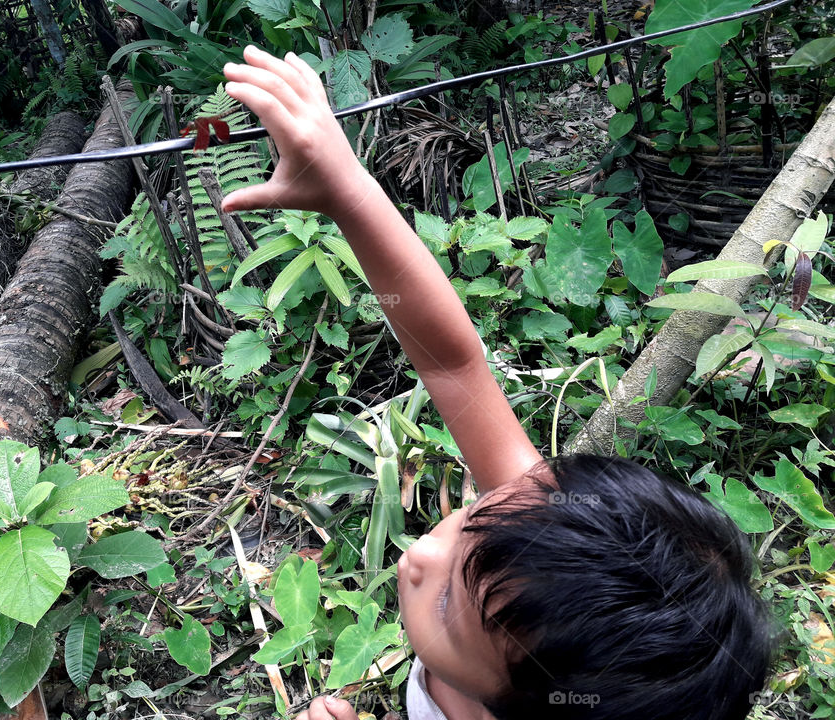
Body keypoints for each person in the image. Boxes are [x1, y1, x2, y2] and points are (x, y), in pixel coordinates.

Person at [220, 45, 777, 720]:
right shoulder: (533, 535)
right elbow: (452, 364)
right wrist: (346, 188)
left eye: (451, 610)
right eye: (473, 524)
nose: (422, 554)